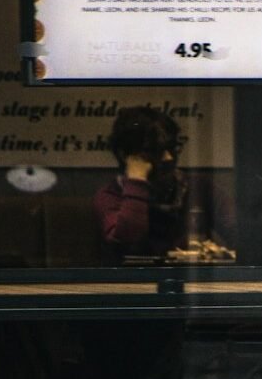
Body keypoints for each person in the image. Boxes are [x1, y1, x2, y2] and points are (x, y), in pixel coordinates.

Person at [94, 105, 234, 263]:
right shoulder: (111, 196)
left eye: (172, 148)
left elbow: (241, 233)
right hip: (136, 284)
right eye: (155, 150)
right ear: (126, 154)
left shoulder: (199, 187)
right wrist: (136, 182)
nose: (168, 158)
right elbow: (129, 239)